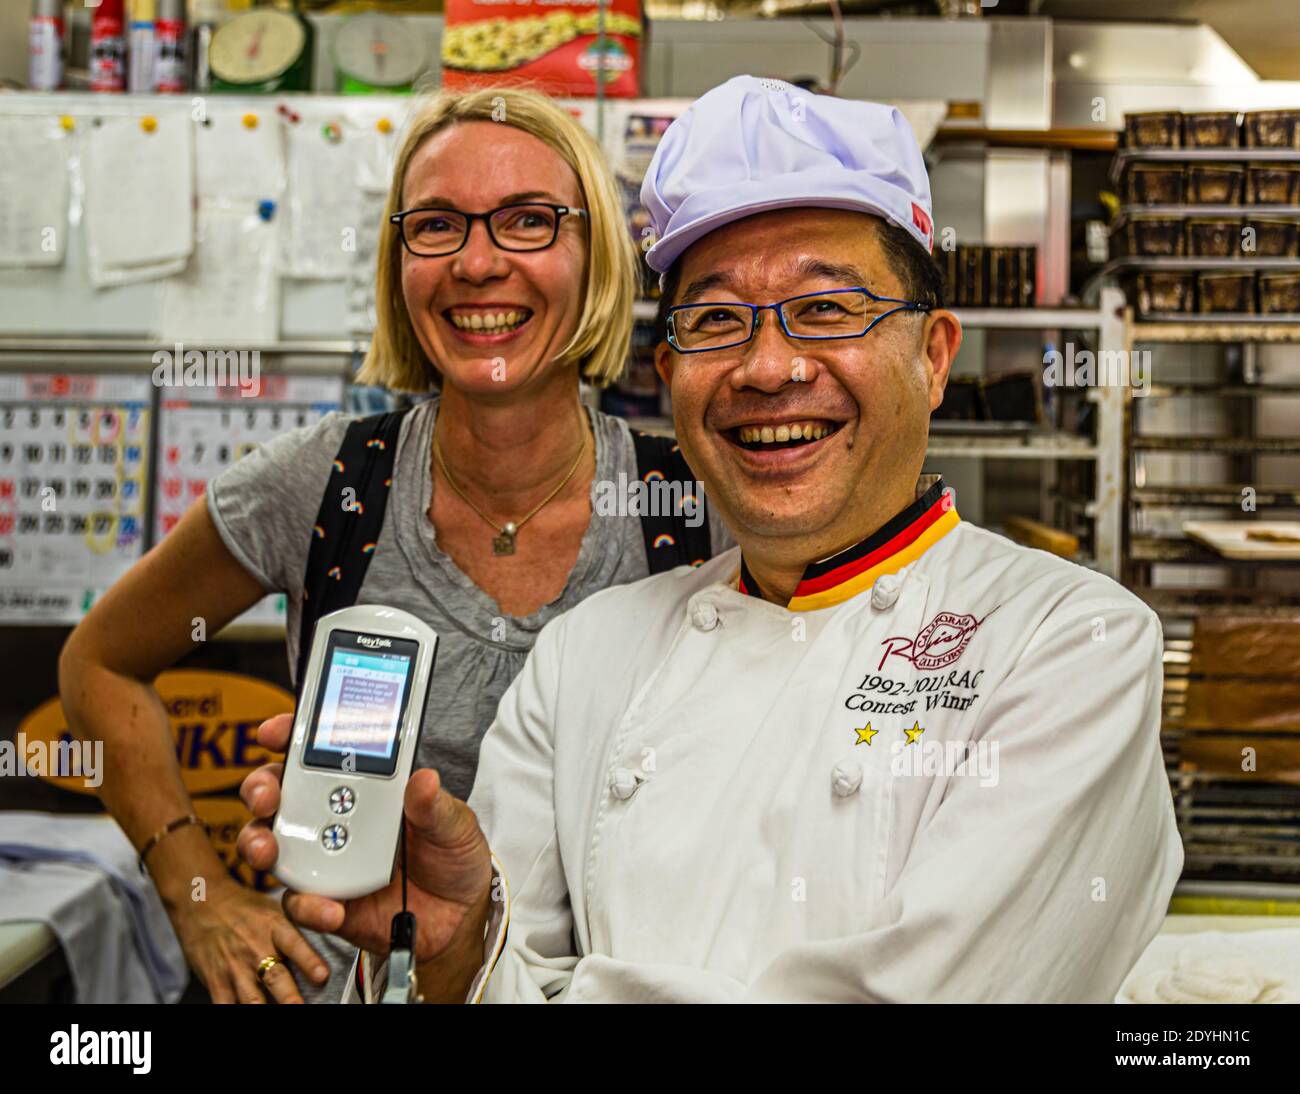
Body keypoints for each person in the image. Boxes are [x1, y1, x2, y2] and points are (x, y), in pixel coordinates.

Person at [238, 75, 1183, 1003]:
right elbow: (494, 977)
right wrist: (455, 953)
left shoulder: (1068, 644)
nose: (767, 368)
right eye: (717, 321)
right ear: (670, 371)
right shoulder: (585, 655)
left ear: (935, 356)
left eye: (827, 309)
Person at [58, 86, 728, 1004]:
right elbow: (98, 664)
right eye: (438, 225)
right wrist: (194, 894)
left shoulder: (694, 504)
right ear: (398, 262)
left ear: (598, 257)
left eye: (529, 221)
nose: (478, 262)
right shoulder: (326, 488)